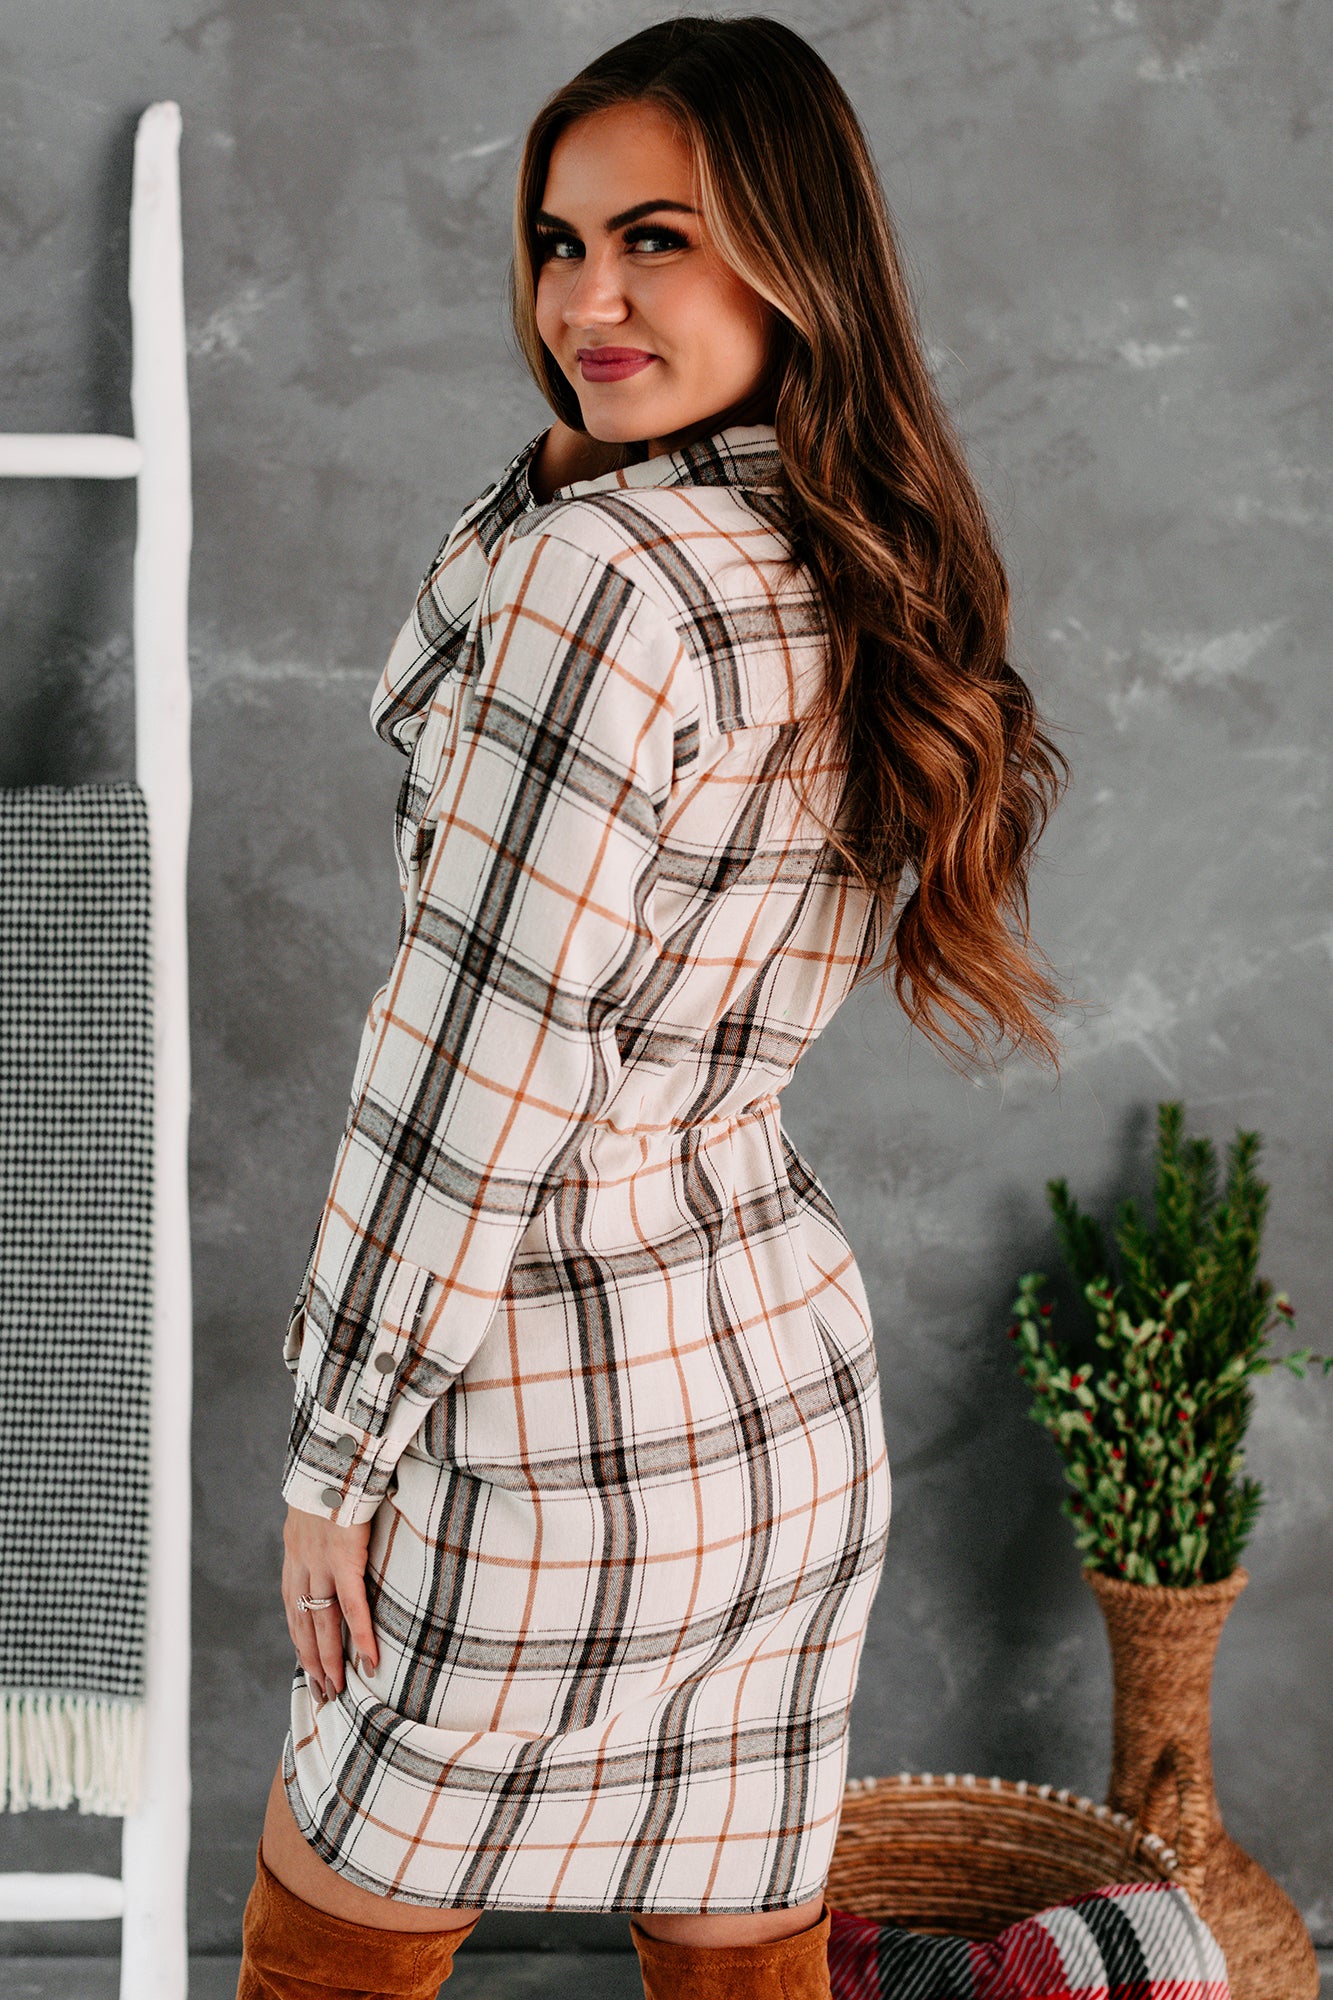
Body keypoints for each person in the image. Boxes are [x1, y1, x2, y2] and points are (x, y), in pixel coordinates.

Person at [236, 16, 1065, 2000]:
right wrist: (562, 463)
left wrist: (336, 1452)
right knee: (740, 1963)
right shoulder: (832, 551)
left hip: (538, 1423)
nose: (583, 299)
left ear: (792, 256)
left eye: (655, 240)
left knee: (323, 1962)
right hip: (777, 1410)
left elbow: (474, 1070)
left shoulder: (601, 578)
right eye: (557, 242)